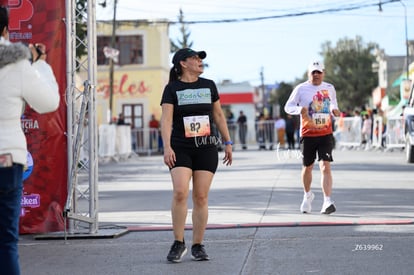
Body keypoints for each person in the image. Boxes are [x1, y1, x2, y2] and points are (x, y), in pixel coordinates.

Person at [0, 6, 60, 275]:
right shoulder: (17, 63)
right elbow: (49, 103)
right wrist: (41, 64)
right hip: (5, 156)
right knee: (5, 242)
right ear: (5, 30)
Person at [160, 48, 232, 263]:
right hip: (180, 147)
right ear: (183, 63)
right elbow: (166, 120)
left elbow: (218, 115)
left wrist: (227, 142)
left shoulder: (209, 85)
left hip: (206, 147)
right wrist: (166, 147)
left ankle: (198, 245)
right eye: (195, 58)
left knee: (201, 196)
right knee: (180, 192)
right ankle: (178, 241)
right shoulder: (172, 88)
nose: (200, 61)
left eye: (200, 58)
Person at [284, 61, 340, 215]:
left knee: (325, 166)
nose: (316, 75)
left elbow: (333, 103)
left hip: (325, 133)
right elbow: (287, 106)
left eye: (318, 72)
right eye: (313, 72)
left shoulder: (329, 88)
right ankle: (307, 195)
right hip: (308, 134)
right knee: (307, 167)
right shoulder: (301, 89)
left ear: (323, 73)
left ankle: (327, 200)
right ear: (308, 74)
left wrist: (335, 110)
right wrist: (299, 109)